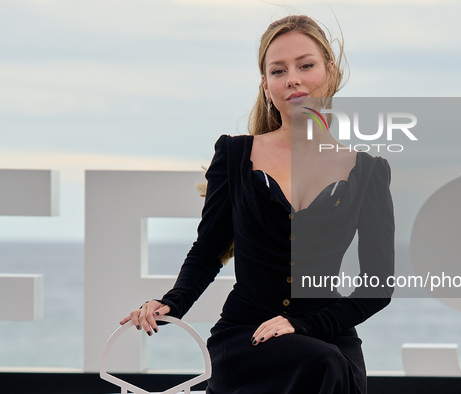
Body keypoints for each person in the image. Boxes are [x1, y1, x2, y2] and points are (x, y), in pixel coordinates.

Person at [120, 15, 395, 394]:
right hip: (246, 340)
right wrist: (172, 302)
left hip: (328, 340)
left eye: (306, 65)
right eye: (278, 70)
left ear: (329, 72)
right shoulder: (235, 155)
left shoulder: (369, 172)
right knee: (322, 365)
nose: (292, 79)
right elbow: (208, 249)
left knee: (327, 364)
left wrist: (303, 326)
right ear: (266, 86)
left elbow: (378, 286)